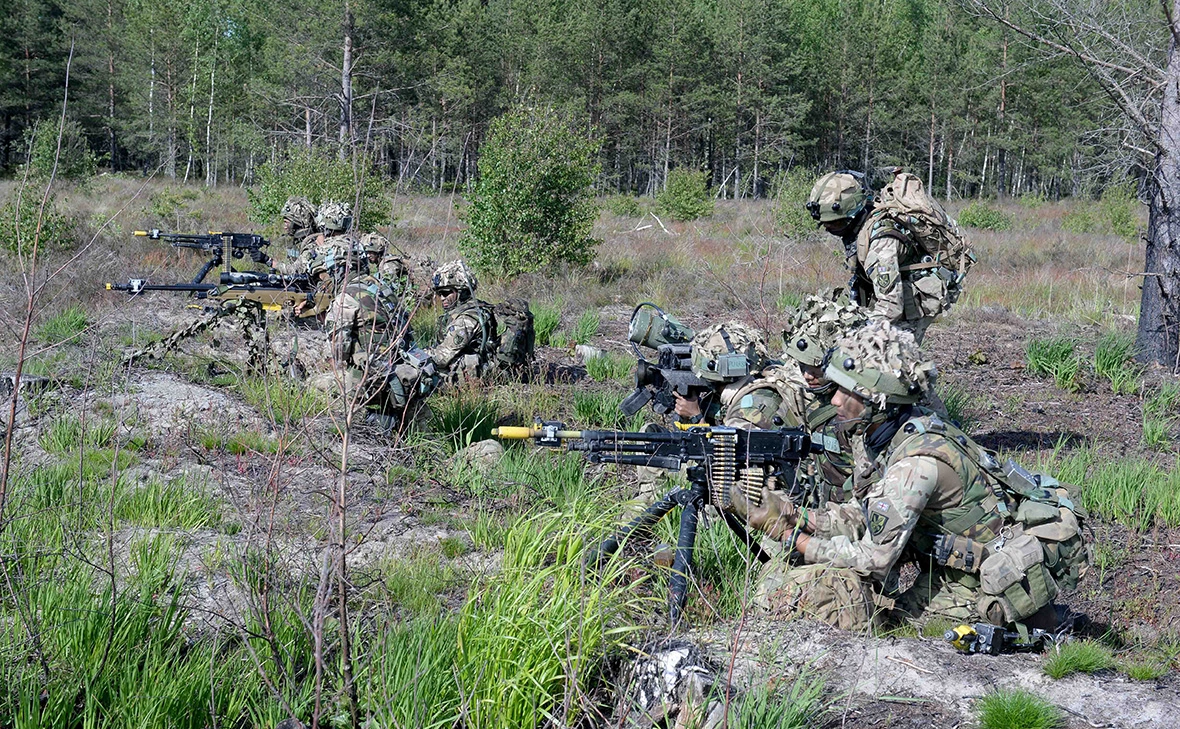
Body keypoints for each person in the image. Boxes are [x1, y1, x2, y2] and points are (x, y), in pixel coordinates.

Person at [728, 319, 1088, 632]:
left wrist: (791, 537)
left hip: (983, 583)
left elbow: (874, 560)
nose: (834, 401)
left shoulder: (913, 464)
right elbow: (863, 512)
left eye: (844, 391)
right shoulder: (900, 432)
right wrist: (796, 515)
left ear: (877, 399)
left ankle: (1036, 620)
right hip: (955, 568)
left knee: (867, 617)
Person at [806, 170, 972, 344]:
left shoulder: (881, 247)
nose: (829, 229)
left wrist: (855, 336)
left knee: (889, 358)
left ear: (850, 216)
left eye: (834, 224)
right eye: (825, 224)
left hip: (916, 299)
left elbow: (891, 307)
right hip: (895, 289)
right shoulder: (863, 216)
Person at [424, 261, 497, 382]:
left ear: (461, 291)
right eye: (439, 293)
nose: (442, 298)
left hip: (472, 375)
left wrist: (419, 354)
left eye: (446, 292)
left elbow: (442, 358)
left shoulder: (466, 318)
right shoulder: (471, 308)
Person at [267, 196, 320, 274]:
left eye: (286, 222)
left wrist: (268, 261)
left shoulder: (311, 243)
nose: (284, 226)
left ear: (297, 222)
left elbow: (295, 270)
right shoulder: (296, 241)